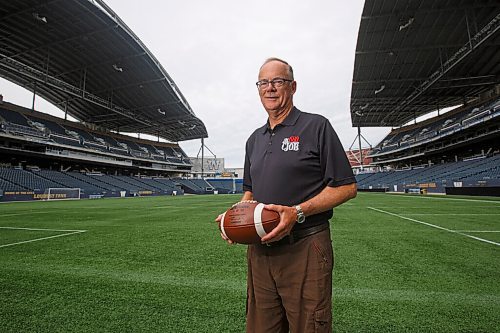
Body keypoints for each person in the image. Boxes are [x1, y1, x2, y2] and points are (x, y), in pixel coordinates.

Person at [217, 57, 357, 333]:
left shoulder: (316, 127)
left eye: (277, 81)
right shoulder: (253, 140)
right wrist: (234, 217)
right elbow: (250, 192)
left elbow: (346, 186)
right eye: (263, 83)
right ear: (258, 89)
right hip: (260, 250)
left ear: (292, 86)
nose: (270, 88)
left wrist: (298, 212)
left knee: (309, 327)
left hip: (304, 246)